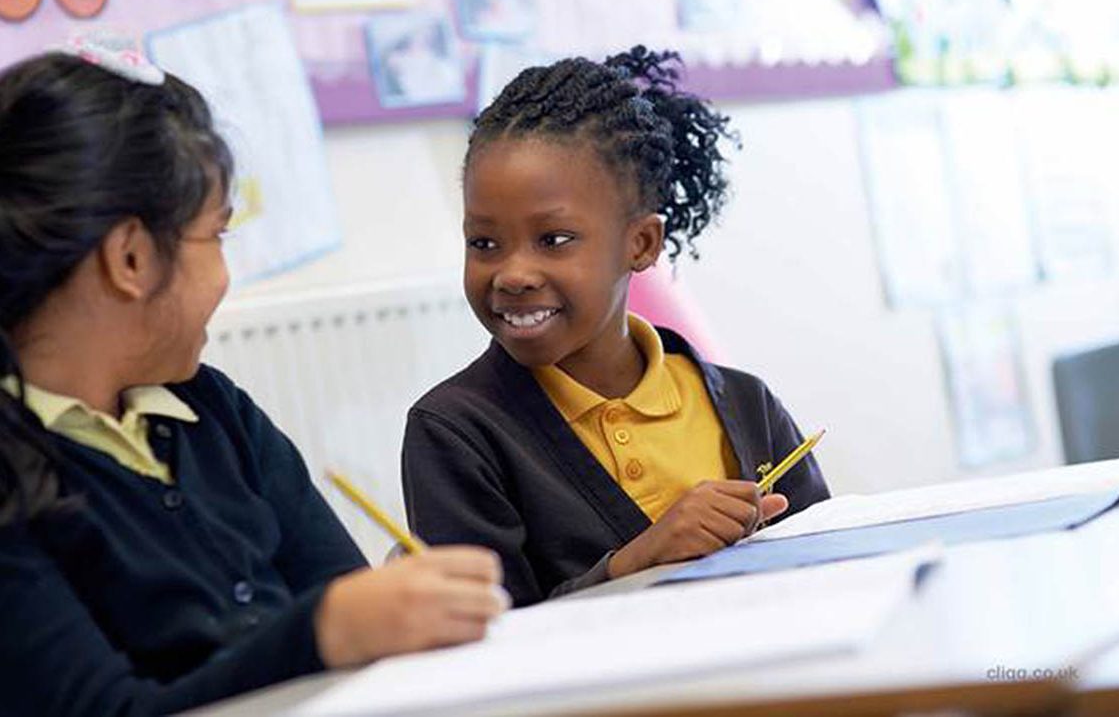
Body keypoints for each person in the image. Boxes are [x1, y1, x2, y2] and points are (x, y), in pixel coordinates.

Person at [0, 49, 507, 717]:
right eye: (216, 235)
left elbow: (347, 605)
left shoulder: (215, 410)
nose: (224, 271)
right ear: (129, 258)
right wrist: (326, 630)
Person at [401, 46, 830, 607]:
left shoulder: (749, 405)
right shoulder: (456, 433)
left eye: (552, 240)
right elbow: (488, 641)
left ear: (641, 244)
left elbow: (832, 573)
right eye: (484, 243)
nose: (512, 273)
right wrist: (633, 564)